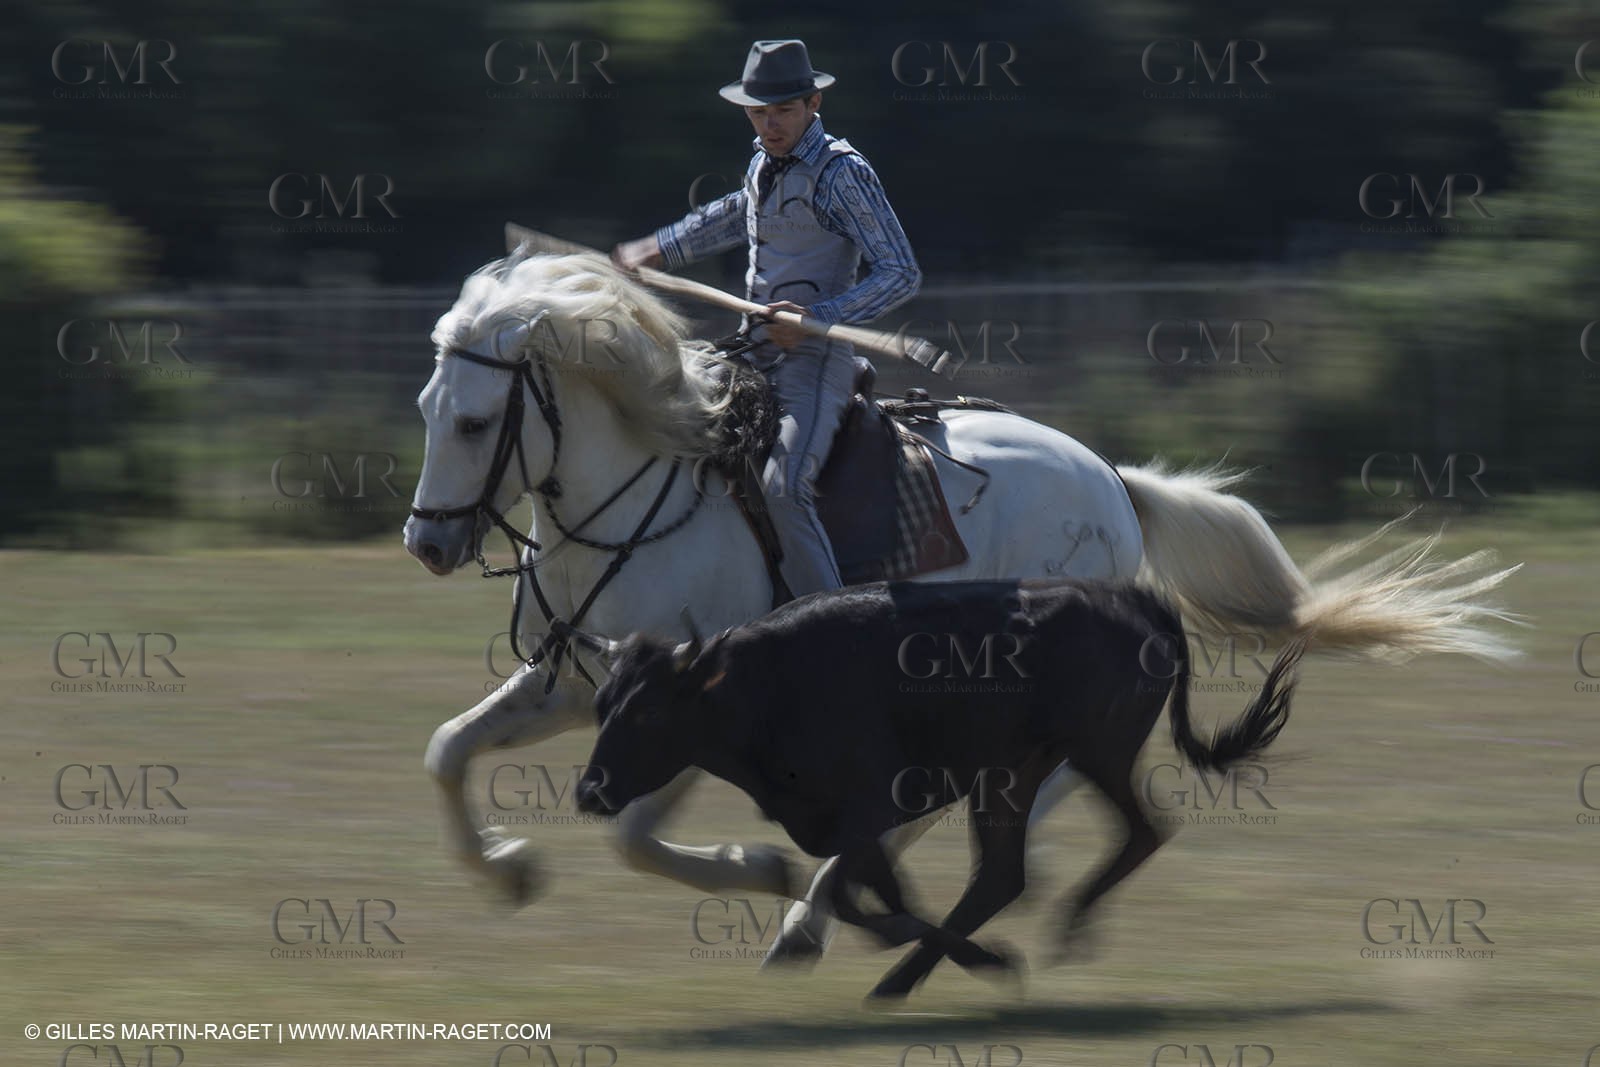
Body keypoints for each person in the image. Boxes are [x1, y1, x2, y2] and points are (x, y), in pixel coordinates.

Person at [612, 39, 921, 596]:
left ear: (813, 105)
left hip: (816, 361)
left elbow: (901, 271)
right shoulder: (762, 163)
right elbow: (733, 214)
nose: (770, 123)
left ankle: (831, 627)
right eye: (759, 112)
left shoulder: (841, 173)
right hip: (750, 352)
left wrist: (816, 318)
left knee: (782, 488)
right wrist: (655, 248)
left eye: (782, 110)